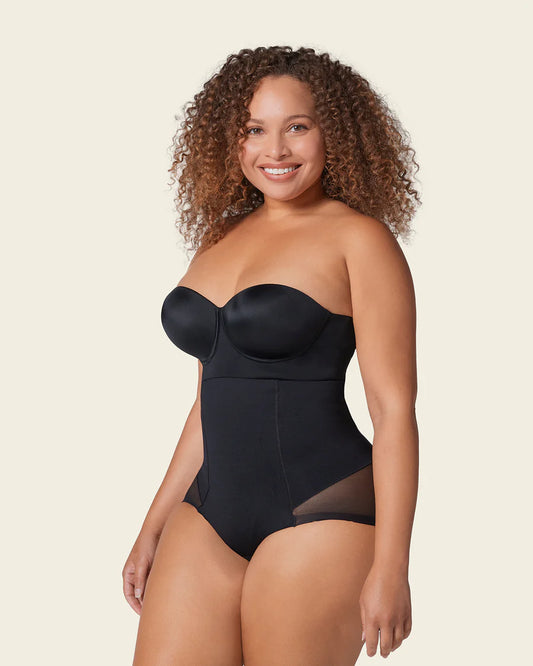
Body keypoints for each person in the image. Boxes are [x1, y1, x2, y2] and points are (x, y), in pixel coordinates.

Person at [123, 45, 421, 665]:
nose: (276, 150)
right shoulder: (219, 237)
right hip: (208, 512)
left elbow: (393, 411)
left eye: (298, 127)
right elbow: (208, 402)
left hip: (322, 508)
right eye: (255, 129)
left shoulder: (359, 239)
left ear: (332, 133)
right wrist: (152, 525)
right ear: (228, 139)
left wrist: (392, 566)